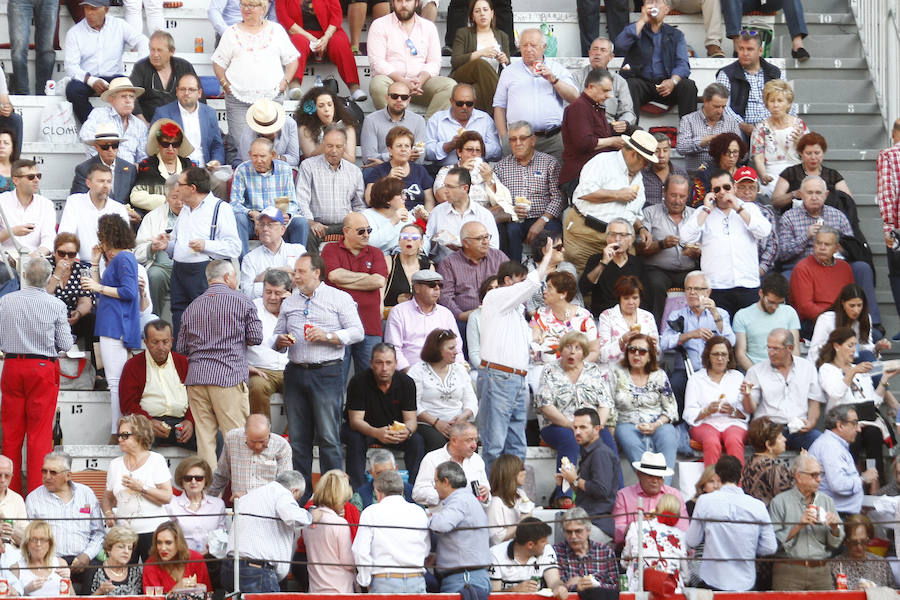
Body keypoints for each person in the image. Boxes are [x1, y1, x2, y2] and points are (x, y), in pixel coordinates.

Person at [274, 253, 364, 501]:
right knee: (299, 441)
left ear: (317, 272)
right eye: (295, 272)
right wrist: (280, 341)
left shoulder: (339, 298)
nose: (296, 276)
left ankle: (333, 496)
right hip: (295, 371)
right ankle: (302, 496)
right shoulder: (289, 302)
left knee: (328, 438)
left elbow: (358, 332)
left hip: (327, 372)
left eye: (301, 272)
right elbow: (277, 335)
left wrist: (328, 337)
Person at [177, 260, 263, 469]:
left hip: (197, 378)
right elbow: (256, 337)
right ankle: (242, 494)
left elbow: (181, 347)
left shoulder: (192, 307)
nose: (236, 281)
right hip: (228, 376)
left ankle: (207, 495)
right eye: (235, 276)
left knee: (205, 441)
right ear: (227, 277)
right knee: (237, 439)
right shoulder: (242, 301)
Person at [0, 257, 73, 493]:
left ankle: (8, 495)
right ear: (48, 278)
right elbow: (65, 344)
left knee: (11, 435)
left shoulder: (6, 301)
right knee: (39, 436)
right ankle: (36, 495)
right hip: (42, 368)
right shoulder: (56, 305)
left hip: (12, 365)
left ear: (24, 275)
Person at [478, 251, 553, 471]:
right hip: (499, 376)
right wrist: (546, 258)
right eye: (519, 281)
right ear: (508, 281)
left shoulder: (519, 313)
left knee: (516, 444)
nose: (524, 287)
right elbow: (531, 285)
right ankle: (491, 492)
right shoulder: (495, 297)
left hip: (518, 378)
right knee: (495, 443)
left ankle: (513, 492)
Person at [150, 167, 242, 338]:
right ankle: (182, 359)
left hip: (204, 272)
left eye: (180, 184)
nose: (177, 188)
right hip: (179, 271)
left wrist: (205, 245)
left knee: (205, 319)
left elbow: (234, 247)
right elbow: (177, 241)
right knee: (179, 317)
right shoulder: (185, 209)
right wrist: (166, 245)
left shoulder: (221, 208)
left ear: (192, 188)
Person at [779, 177, 879, 327]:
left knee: (862, 268)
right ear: (800, 194)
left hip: (834, 263)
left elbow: (853, 249)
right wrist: (805, 237)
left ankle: (872, 323)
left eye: (818, 193)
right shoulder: (789, 217)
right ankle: (795, 327)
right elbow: (783, 254)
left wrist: (835, 244)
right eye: (809, 192)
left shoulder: (838, 216)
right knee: (786, 277)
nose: (814, 197)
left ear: (826, 195)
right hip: (800, 264)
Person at [78, 214, 141, 440]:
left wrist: (98, 286)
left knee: (115, 383)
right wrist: (95, 262)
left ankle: (118, 431)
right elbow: (100, 287)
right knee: (115, 381)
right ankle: (120, 429)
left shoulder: (124, 258)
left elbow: (128, 292)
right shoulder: (118, 260)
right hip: (111, 323)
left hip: (117, 325)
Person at [681, 169, 772, 317]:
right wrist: (706, 209)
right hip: (716, 287)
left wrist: (738, 207)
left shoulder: (749, 208)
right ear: (711, 192)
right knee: (719, 335)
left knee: (747, 336)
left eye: (726, 187)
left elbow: (764, 231)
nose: (722, 192)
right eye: (717, 189)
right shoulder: (703, 212)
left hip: (747, 284)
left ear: (734, 187)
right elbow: (686, 237)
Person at [566, 132, 657, 275]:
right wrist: (617, 194)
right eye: (646, 162)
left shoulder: (637, 176)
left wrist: (641, 228)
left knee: (624, 285)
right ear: (634, 154)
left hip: (621, 240)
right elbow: (583, 194)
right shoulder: (603, 162)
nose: (646, 167)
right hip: (587, 234)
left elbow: (632, 211)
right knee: (585, 281)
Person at [816, 328, 898, 484]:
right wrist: (852, 372)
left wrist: (884, 379)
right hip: (842, 420)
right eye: (850, 345)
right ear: (836, 346)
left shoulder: (859, 370)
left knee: (873, 433)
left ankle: (875, 480)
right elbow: (836, 393)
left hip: (865, 418)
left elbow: (873, 402)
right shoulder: (827, 369)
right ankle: (852, 479)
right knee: (855, 437)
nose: (854, 350)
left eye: (855, 346)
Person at [212, 0, 299, 145]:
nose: (246, 9)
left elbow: (292, 60)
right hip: (238, 99)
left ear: (263, 8)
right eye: (243, 5)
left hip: (271, 97)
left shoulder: (276, 30)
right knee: (240, 145)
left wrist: (285, 82)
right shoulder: (231, 32)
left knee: (270, 144)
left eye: (251, 5)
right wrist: (225, 85)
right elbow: (218, 62)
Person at [537, 333, 613, 497]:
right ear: (561, 350)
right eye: (568, 347)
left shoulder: (593, 370)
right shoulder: (550, 369)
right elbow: (545, 404)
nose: (572, 352)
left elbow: (605, 403)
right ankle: (563, 495)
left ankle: (617, 493)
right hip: (557, 426)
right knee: (570, 438)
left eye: (578, 348)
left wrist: (596, 427)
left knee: (607, 442)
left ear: (584, 352)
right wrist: (568, 424)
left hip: (590, 426)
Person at [687, 455, 777, 591]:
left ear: (717, 477)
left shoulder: (705, 501)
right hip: (745, 582)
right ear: (740, 477)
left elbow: (692, 541)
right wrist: (749, 548)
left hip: (713, 580)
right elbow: (769, 547)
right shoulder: (757, 506)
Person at [343, 344, 424, 488]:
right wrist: (376, 432)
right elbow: (355, 421)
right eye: (379, 363)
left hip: (395, 431)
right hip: (366, 429)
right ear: (371, 364)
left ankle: (415, 489)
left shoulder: (407, 382)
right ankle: (357, 491)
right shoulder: (358, 381)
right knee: (354, 439)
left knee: (416, 441)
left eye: (388, 363)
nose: (384, 368)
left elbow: (411, 420)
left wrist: (407, 431)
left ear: (396, 364)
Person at [24, 452, 104, 595]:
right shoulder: (34, 499)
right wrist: (52, 559)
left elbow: (98, 533)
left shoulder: (86, 494)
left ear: (68, 475)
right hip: (50, 561)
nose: (47, 476)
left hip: (85, 559)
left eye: (53, 472)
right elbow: (28, 537)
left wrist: (86, 555)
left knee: (98, 571)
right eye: (44, 471)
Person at [492, 28, 578, 161]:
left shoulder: (557, 69)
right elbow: (499, 106)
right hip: (518, 140)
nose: (528, 49)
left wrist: (553, 80)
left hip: (552, 140)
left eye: (533, 45)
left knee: (556, 180)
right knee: (517, 180)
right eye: (524, 45)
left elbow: (574, 98)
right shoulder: (509, 72)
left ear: (544, 47)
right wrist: (504, 137)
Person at [321, 213, 388, 379]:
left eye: (369, 230)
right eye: (361, 231)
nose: (366, 234)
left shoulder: (376, 253)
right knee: (337, 380)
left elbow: (379, 281)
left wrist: (345, 280)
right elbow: (334, 276)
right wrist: (367, 277)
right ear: (346, 231)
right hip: (338, 326)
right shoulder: (330, 249)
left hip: (369, 325)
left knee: (371, 381)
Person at [222, 471, 312, 593]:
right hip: (255, 570)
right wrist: (311, 515)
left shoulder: (252, 495)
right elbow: (291, 515)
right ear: (294, 491)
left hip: (230, 566)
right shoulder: (283, 494)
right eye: (297, 499)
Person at [63, 0, 149, 123]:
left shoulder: (119, 25)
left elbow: (142, 41)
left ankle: (138, 122)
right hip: (87, 78)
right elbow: (70, 66)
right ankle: (93, 125)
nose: (89, 13)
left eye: (94, 9)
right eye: (86, 8)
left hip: (114, 77)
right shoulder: (75, 32)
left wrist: (140, 68)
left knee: (128, 87)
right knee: (73, 90)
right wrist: (91, 80)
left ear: (106, 10)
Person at [366, 0, 455, 119]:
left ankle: (427, 131)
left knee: (450, 86)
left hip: (421, 86)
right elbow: (377, 62)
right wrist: (402, 81)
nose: (403, 5)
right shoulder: (379, 25)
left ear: (416, 3)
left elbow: (434, 62)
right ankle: (396, 128)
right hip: (393, 82)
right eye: (399, 1)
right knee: (377, 84)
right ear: (392, 2)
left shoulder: (428, 27)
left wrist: (420, 80)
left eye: (408, 0)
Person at [102, 414, 174, 560]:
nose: (120, 439)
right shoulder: (115, 464)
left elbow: (167, 497)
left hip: (154, 531)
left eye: (125, 435)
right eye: (119, 435)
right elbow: (107, 497)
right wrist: (109, 513)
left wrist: (141, 488)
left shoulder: (156, 460)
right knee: (126, 577)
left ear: (140, 435)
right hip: (125, 534)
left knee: (154, 575)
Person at [658, 270, 735, 406]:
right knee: (674, 384)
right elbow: (664, 343)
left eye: (697, 289)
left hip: (713, 368)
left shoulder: (720, 313)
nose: (692, 292)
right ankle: (680, 424)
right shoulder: (677, 315)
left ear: (708, 292)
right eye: (688, 288)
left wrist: (715, 315)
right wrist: (690, 335)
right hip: (686, 369)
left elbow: (731, 342)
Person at [769, 454, 844, 590]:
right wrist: (798, 525)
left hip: (821, 571)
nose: (819, 480)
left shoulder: (826, 501)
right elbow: (772, 543)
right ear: (798, 476)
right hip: (789, 571)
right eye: (814, 475)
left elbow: (836, 543)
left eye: (820, 475)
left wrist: (835, 529)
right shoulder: (780, 502)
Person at [615, 0, 698, 121]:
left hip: (667, 84)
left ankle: (689, 133)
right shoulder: (636, 28)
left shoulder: (676, 35)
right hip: (641, 83)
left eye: (658, 2)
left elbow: (683, 64)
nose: (653, 5)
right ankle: (631, 132)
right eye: (649, 2)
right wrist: (642, 20)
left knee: (688, 86)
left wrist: (672, 81)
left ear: (666, 9)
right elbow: (620, 46)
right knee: (630, 84)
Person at [743, 328, 825, 449]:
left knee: (821, 443)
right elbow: (750, 408)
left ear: (790, 348)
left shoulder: (807, 368)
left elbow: (814, 401)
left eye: (775, 348)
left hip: (798, 428)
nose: (771, 352)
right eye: (769, 347)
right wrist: (746, 395)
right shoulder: (756, 371)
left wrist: (812, 422)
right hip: (768, 429)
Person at [117, 320, 194, 448]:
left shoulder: (183, 363)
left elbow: (196, 397)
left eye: (165, 342)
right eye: (155, 342)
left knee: (214, 438)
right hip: (148, 423)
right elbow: (128, 404)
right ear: (145, 342)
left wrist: (190, 421)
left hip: (181, 423)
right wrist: (147, 421)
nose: (161, 347)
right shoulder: (133, 365)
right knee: (137, 438)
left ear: (172, 341)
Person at [610, 334, 679, 475]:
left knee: (669, 436)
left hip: (657, 422)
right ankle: (648, 482)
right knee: (628, 438)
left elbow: (671, 408)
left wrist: (656, 424)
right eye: (632, 350)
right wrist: (611, 429)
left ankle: (663, 488)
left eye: (642, 351)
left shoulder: (659, 375)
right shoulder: (617, 373)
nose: (636, 354)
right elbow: (608, 405)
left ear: (650, 356)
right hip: (627, 423)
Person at [495, 122, 564, 261]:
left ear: (532, 140)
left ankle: (547, 272)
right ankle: (514, 272)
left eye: (522, 138)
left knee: (550, 231)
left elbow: (558, 198)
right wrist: (511, 210)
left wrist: (542, 220)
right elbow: (496, 199)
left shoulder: (549, 163)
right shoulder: (501, 167)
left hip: (544, 217)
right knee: (510, 230)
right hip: (513, 218)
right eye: (513, 139)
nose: (517, 143)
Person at [353, 470, 429, 593]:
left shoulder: (371, 512)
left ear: (377, 492)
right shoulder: (419, 512)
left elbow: (360, 551)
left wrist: (365, 580)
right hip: (416, 578)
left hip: (384, 580)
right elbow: (426, 548)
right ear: (402, 490)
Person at [231, 139, 309, 258]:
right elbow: (234, 203)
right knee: (238, 218)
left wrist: (286, 214)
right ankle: (245, 264)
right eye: (254, 156)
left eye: (262, 156)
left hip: (277, 217)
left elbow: (292, 202)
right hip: (253, 219)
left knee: (301, 222)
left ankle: (297, 266)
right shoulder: (242, 170)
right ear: (249, 155)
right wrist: (252, 213)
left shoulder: (284, 169)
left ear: (273, 155)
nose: (258, 160)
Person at [276, 0, 365, 101]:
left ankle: (354, 87)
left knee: (340, 42)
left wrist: (326, 37)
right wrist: (312, 39)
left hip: (328, 31)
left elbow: (336, 15)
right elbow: (284, 19)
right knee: (298, 41)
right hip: (301, 32)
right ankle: (294, 86)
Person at [294, 127, 366, 252]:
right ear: (323, 145)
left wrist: (357, 224)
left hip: (345, 225)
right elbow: (302, 199)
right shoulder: (308, 166)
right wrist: (310, 222)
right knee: (308, 233)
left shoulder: (354, 171)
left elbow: (359, 205)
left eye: (338, 146)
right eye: (329, 146)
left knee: (362, 233)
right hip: (317, 224)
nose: (334, 151)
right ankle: (314, 270)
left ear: (344, 147)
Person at [639, 175, 699, 321]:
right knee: (655, 284)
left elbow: (706, 246)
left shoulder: (696, 215)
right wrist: (661, 244)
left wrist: (698, 251)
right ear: (664, 192)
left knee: (700, 284)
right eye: (673, 195)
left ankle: (695, 329)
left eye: (682, 196)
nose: (677, 201)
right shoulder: (650, 213)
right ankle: (655, 330)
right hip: (658, 269)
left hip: (688, 269)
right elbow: (640, 248)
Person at [429, 461, 493, 596]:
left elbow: (440, 525)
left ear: (445, 482)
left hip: (464, 579)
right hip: (471, 577)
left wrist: (428, 517)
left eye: (436, 482)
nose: (435, 487)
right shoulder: (468, 499)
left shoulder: (460, 501)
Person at [683, 337, 749, 466]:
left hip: (733, 422)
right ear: (708, 356)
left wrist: (734, 411)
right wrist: (707, 411)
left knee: (734, 439)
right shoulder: (696, 379)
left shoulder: (737, 377)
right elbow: (689, 412)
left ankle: (736, 484)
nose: (720, 358)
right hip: (705, 423)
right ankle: (712, 484)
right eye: (715, 354)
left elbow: (746, 412)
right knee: (711, 440)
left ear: (729, 357)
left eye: (724, 354)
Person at [557, 409, 620, 541]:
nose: (577, 432)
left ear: (597, 429)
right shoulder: (589, 452)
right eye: (575, 427)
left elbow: (601, 490)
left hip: (597, 523)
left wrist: (575, 479)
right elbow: (587, 492)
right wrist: (569, 481)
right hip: (588, 520)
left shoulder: (600, 453)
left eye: (583, 427)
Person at [407, 329, 474, 452]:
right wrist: (436, 422)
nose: (456, 351)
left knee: (467, 442)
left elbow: (471, 401)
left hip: (456, 423)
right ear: (437, 350)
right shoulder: (417, 371)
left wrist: (462, 417)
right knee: (437, 443)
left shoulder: (459, 369)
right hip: (427, 423)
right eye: (451, 348)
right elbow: (413, 404)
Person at [716, 30, 789, 138]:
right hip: (741, 129)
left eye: (749, 49)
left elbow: (788, 101)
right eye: (741, 49)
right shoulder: (726, 74)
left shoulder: (775, 73)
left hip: (773, 126)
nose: (745, 53)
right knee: (733, 136)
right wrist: (743, 125)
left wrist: (786, 123)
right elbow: (723, 107)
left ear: (760, 51)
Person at [385, 271, 462, 372]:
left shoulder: (445, 313)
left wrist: (460, 368)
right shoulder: (399, 312)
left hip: (443, 372)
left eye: (440, 285)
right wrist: (409, 373)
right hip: (409, 372)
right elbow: (393, 348)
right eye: (432, 285)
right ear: (417, 288)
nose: (437, 288)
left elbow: (457, 347)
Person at [808, 405, 878, 515]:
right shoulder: (830, 447)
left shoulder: (835, 445)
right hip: (835, 516)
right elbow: (839, 485)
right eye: (854, 423)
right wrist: (863, 479)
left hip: (839, 513)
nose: (859, 429)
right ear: (840, 425)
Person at [436, 221, 507, 323]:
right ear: (465, 243)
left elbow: (513, 285)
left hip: (498, 317)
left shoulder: (498, 257)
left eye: (487, 237)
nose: (485, 241)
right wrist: (460, 315)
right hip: (464, 320)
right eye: (479, 238)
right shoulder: (449, 263)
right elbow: (445, 296)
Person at [208, 413, 292, 500]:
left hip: (270, 505)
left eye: (262, 441)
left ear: (269, 433)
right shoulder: (232, 439)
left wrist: (248, 494)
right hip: (241, 507)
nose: (258, 446)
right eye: (253, 441)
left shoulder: (281, 446)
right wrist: (207, 500)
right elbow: (221, 475)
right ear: (245, 433)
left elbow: (285, 486)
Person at [59, 165, 132, 263]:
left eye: (109, 181)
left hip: (111, 265)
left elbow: (125, 244)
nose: (106, 185)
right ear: (88, 183)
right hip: (80, 263)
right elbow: (65, 236)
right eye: (101, 181)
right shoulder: (74, 201)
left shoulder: (119, 208)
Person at [789, 226, 855, 333]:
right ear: (814, 245)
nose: (822, 247)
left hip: (841, 319)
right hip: (812, 322)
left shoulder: (845, 267)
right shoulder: (803, 268)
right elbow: (805, 308)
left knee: (871, 333)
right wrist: (834, 320)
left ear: (836, 248)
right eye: (818, 243)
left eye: (827, 244)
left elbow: (851, 299)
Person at [448, 0, 510, 113]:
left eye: (485, 10)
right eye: (477, 11)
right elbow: (455, 61)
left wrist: (505, 60)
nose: (482, 13)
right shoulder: (463, 33)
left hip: (483, 84)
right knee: (480, 63)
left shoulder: (502, 36)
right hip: (464, 76)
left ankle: (493, 117)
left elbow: (507, 68)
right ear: (472, 16)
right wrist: (480, 53)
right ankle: (503, 106)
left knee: (477, 91)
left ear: (492, 13)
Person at [246, 269, 293, 416]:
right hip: (261, 370)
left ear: (287, 292)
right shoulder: (251, 307)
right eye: (268, 292)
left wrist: (291, 306)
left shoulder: (296, 308)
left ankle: (291, 437)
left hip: (291, 370)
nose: (272, 297)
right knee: (257, 387)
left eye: (277, 293)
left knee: (304, 388)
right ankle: (262, 435)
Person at [153, 73, 226, 168]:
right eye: (182, 89)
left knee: (221, 180)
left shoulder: (209, 113)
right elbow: (155, 145)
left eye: (191, 89)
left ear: (199, 93)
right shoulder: (163, 114)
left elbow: (216, 145)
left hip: (205, 169)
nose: (186, 93)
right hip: (176, 169)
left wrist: (216, 161)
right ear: (176, 91)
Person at [579, 218, 647, 318]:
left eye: (622, 235)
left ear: (631, 240)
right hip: (602, 316)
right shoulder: (596, 260)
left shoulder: (638, 263)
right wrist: (603, 263)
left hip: (630, 315)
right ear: (607, 238)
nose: (617, 239)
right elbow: (583, 288)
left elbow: (644, 297)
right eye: (612, 234)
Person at [428, 163, 502, 255]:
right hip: (443, 265)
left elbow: (493, 250)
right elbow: (428, 247)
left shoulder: (484, 215)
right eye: (445, 185)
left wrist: (466, 247)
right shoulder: (437, 212)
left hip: (476, 266)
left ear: (465, 188)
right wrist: (434, 241)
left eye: (450, 187)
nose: (445, 190)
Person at [300, 470, 355, 593]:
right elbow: (348, 563)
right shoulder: (339, 524)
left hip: (315, 589)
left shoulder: (309, 521)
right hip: (338, 590)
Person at [772, 131, 855, 213]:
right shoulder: (790, 173)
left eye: (817, 153)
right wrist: (794, 194)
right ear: (801, 153)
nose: (813, 157)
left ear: (823, 152)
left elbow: (848, 200)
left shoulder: (832, 175)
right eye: (808, 153)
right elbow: (775, 202)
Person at [808, 284, 889, 367]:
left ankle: (878, 379)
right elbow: (815, 351)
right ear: (843, 303)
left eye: (859, 305)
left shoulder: (865, 318)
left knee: (867, 356)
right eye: (852, 306)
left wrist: (877, 348)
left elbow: (864, 346)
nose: (856, 310)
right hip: (829, 364)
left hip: (852, 362)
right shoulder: (826, 319)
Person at [621, 493, 688, 593]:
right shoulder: (680, 535)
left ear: (657, 509)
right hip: (671, 591)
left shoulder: (635, 526)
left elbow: (624, 562)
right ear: (678, 515)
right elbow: (686, 575)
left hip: (639, 589)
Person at [750, 80, 808, 196]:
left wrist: (799, 143)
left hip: (796, 173)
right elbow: (758, 157)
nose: (775, 105)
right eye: (772, 101)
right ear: (767, 104)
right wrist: (763, 175)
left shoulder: (799, 125)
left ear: (788, 104)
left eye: (780, 101)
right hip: (772, 176)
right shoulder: (761, 128)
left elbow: (809, 154)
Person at [413, 421, 490, 507]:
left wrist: (486, 494)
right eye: (469, 440)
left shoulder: (477, 459)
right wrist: (445, 494)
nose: (474, 445)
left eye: (475, 440)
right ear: (454, 440)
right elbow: (418, 493)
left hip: (471, 515)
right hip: (443, 515)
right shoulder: (432, 458)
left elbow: (486, 494)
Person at [134, 178, 180, 321]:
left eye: (183, 197)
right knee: (154, 275)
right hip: (162, 266)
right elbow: (137, 252)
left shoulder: (197, 215)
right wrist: (152, 248)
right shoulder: (152, 217)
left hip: (188, 263)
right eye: (174, 197)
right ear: (166, 197)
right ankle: (154, 322)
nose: (179, 202)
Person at [733, 272, 800, 370]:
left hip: (784, 371)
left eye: (780, 303)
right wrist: (758, 376)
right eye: (771, 302)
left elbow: (794, 350)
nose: (775, 307)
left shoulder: (789, 312)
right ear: (761, 293)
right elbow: (740, 354)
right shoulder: (742, 315)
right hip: (755, 371)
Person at [488, 517, 568, 599]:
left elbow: (554, 581)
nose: (547, 543)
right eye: (543, 541)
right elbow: (493, 595)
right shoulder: (496, 555)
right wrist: (514, 590)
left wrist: (559, 587)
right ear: (530, 545)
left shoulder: (547, 550)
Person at [129, 32, 197, 123]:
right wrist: (143, 123)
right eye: (152, 50)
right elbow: (131, 93)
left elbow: (198, 95)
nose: (155, 54)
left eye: (159, 50)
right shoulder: (141, 67)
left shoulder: (184, 66)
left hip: (181, 123)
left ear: (172, 51)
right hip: (150, 123)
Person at [79, 78, 149, 166]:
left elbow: (142, 157)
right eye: (123, 96)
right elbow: (86, 137)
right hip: (101, 170)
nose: (128, 101)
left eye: (131, 97)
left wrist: (137, 169)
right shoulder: (100, 114)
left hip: (129, 174)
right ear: (112, 100)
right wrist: (105, 162)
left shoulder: (140, 125)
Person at [427, 84, 501, 167]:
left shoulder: (485, 119)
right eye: (459, 103)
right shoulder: (437, 119)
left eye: (469, 104)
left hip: (477, 171)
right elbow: (426, 153)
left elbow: (497, 153)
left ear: (475, 102)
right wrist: (449, 146)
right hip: (445, 171)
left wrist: (478, 146)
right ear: (451, 101)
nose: (464, 107)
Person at [131, 119, 194, 215]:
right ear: (158, 144)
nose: (170, 148)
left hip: (187, 216)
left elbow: (199, 194)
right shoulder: (147, 166)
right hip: (156, 216)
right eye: (165, 144)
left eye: (175, 144)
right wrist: (166, 201)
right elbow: (136, 196)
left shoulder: (189, 165)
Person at [239, 209, 305, 301]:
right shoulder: (250, 258)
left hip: (295, 307)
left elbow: (307, 284)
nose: (265, 229)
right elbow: (247, 294)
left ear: (282, 230)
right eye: (261, 224)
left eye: (270, 225)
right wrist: (286, 277)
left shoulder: (298, 250)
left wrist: (266, 276)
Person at [532, 272, 599, 362]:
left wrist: (576, 367)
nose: (544, 291)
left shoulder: (584, 318)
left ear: (563, 294)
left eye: (549, 287)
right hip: (543, 371)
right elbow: (534, 344)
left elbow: (594, 351)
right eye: (546, 287)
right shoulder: (540, 315)